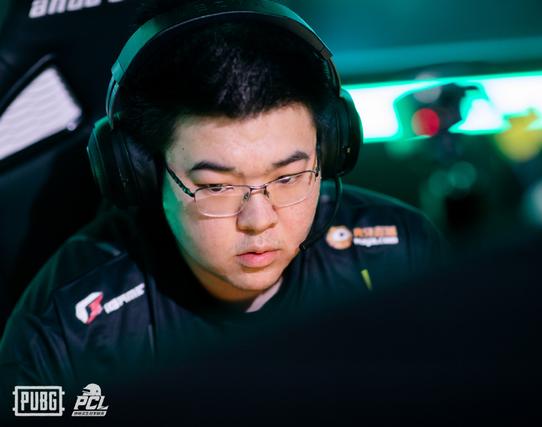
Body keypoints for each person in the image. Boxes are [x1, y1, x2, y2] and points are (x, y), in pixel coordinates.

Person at [0, 0, 446, 394]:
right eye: (216, 187)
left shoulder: (399, 254)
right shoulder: (66, 327)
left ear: (329, 150)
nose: (259, 219)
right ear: (143, 173)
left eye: (289, 177)